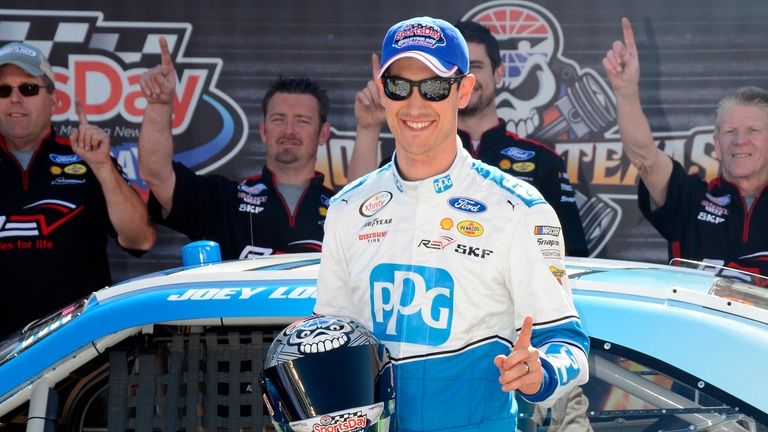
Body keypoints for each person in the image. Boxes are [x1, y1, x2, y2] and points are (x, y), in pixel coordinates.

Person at [315, 17, 589, 431]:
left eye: (434, 87)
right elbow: (331, 341)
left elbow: (570, 345)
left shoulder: (517, 209)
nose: (415, 104)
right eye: (399, 86)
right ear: (382, 90)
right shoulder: (347, 209)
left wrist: (541, 372)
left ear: (463, 91)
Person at [347, 20, 589, 257]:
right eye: (458, 71)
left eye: (476, 66)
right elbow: (356, 219)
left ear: (499, 73)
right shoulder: (409, 161)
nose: (467, 78)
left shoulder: (543, 161)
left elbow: (567, 258)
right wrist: (368, 128)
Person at [0, 42, 156, 336]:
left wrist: (103, 168)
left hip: (77, 353)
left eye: (28, 89)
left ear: (54, 101)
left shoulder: (86, 159)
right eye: (3, 90)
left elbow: (141, 239)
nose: (15, 99)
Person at [138, 37, 335, 260]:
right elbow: (155, 173)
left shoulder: (342, 208)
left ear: (323, 133)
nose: (289, 130)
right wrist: (159, 105)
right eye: (278, 119)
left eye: (302, 121)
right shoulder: (224, 199)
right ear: (262, 130)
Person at [603, 18, 768, 279]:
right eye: (729, 131)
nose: (740, 140)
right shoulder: (691, 199)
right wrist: (626, 93)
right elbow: (645, 157)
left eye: (753, 130)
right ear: (716, 143)